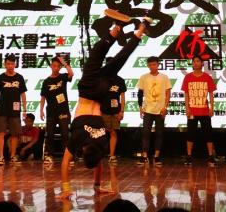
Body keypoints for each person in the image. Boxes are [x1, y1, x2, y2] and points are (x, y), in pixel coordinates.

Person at [57, 10, 150, 200]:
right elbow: (65, 162)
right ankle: (117, 27)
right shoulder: (78, 139)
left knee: (121, 59)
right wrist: (66, 188)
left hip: (101, 92)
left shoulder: (100, 144)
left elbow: (99, 162)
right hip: (87, 89)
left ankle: (141, 28)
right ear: (84, 151)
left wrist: (99, 186)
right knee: (97, 53)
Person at [182, 55, 218, 166]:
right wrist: (187, 108)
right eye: (194, 61)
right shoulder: (188, 77)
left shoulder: (207, 77)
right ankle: (188, 156)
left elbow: (211, 93)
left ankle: (210, 156)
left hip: (204, 111)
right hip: (192, 111)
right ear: (192, 64)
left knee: (208, 134)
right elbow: (186, 94)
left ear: (202, 63)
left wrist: (212, 107)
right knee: (190, 134)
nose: (196, 63)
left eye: (198, 61)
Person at [0, 56, 27, 165]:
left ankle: (12, 156)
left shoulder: (19, 78)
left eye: (12, 64)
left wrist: (25, 109)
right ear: (5, 64)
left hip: (15, 110)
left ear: (15, 64)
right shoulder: (0, 78)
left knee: (14, 134)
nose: (10, 66)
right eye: (8, 64)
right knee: (0, 134)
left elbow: (23, 94)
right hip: (1, 110)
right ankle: (1, 157)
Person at [136, 55, 171, 167]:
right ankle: (144, 156)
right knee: (145, 133)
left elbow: (168, 93)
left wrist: (165, 107)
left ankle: (157, 156)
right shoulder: (144, 77)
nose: (152, 66)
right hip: (147, 109)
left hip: (160, 110)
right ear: (148, 65)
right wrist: (140, 107)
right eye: (150, 65)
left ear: (158, 65)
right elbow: (140, 93)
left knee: (159, 133)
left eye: (154, 64)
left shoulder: (164, 77)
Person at [39, 55, 73, 165]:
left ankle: (67, 157)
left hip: (63, 111)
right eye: (54, 66)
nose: (56, 68)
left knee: (65, 134)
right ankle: (49, 156)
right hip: (51, 112)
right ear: (51, 66)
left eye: (58, 66)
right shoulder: (46, 81)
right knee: (50, 135)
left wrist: (65, 64)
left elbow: (71, 74)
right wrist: (41, 110)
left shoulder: (63, 77)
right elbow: (43, 97)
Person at [100, 58, 127, 165]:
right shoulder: (101, 79)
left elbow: (123, 97)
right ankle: (99, 154)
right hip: (103, 110)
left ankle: (112, 155)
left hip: (116, 111)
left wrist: (122, 111)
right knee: (101, 133)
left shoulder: (120, 80)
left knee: (114, 132)